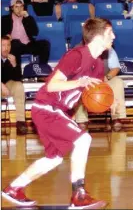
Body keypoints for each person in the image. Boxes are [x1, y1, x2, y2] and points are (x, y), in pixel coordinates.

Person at [1, 17, 114, 209]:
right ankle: (78, 194)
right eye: (110, 33)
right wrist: (79, 82)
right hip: (47, 107)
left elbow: (96, 90)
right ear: (98, 36)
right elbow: (52, 85)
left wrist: (109, 100)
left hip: (59, 112)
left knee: (54, 159)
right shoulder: (76, 55)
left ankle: (14, 188)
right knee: (83, 139)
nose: (114, 36)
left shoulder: (100, 64)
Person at [75, 47, 127, 131]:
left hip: (103, 79)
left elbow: (116, 68)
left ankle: (117, 117)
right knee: (78, 85)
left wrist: (107, 76)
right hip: (86, 81)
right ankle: (81, 119)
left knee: (118, 82)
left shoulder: (109, 50)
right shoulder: (78, 50)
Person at [1, 0, 51, 65]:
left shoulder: (29, 18)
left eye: (21, 6)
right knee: (15, 43)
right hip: (14, 45)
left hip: (28, 44)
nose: (19, 9)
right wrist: (6, 36)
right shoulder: (4, 19)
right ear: (12, 8)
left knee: (45, 44)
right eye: (16, 7)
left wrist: (27, 18)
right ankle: (16, 70)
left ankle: (41, 68)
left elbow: (35, 32)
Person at [1, 35, 27, 135]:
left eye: (8, 45)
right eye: (3, 45)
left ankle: (20, 122)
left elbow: (18, 78)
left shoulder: (12, 57)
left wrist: (15, 65)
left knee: (19, 86)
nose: (6, 48)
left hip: (7, 85)